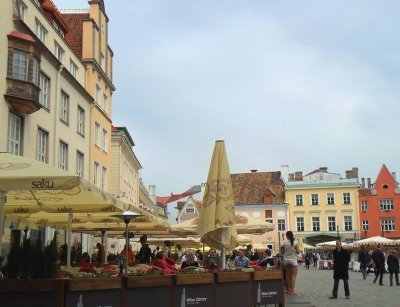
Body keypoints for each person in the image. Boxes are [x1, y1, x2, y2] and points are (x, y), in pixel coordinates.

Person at [281, 231, 300, 295]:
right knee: (293, 275)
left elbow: (283, 251)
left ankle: (288, 289)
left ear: (287, 236)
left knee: (287, 275)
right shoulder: (295, 242)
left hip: (286, 259)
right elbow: (298, 252)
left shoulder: (284, 242)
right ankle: (292, 290)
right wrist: (294, 251)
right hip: (293, 259)